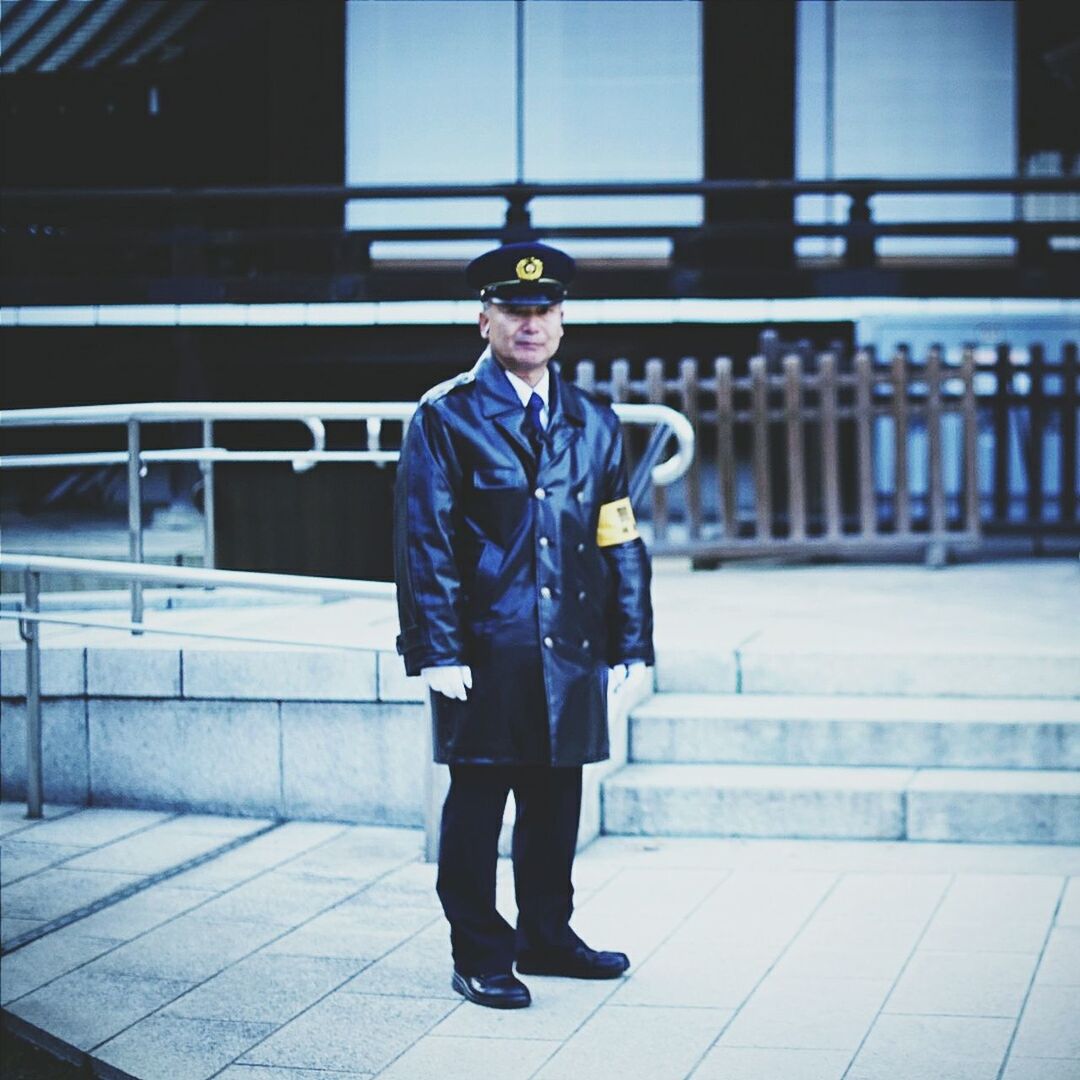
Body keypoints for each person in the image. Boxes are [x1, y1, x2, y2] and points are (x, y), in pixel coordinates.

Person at [393, 241, 654, 1010]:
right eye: (514, 310)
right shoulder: (446, 416)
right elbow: (425, 542)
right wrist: (435, 648)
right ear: (485, 320)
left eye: (543, 311)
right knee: (477, 805)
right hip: (485, 648)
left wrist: (631, 636)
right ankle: (478, 949)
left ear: (563, 322)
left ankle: (546, 935)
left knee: (555, 801)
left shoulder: (595, 422)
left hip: (570, 648)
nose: (530, 324)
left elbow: (618, 533)